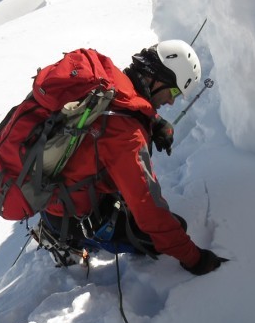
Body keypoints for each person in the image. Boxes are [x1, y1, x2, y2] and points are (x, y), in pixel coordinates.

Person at [32, 40, 226, 275]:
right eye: (173, 91)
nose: (172, 101)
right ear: (157, 77)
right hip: (72, 217)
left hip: (59, 192)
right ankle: (67, 239)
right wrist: (195, 259)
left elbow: (124, 106)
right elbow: (150, 213)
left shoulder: (113, 78)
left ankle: (58, 225)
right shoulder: (127, 137)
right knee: (171, 229)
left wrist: (153, 121)